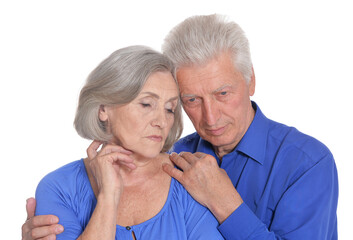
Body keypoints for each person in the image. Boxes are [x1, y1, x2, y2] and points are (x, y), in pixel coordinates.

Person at [22, 14, 338, 239]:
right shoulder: (173, 158)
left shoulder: (307, 163)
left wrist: (225, 202)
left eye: (222, 93)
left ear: (251, 80)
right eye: (190, 100)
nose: (210, 118)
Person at [22, 45, 224, 240]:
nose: (162, 122)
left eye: (170, 108)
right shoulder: (59, 187)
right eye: (146, 104)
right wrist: (109, 195)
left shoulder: (188, 177)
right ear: (103, 109)